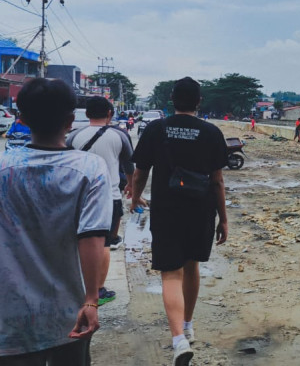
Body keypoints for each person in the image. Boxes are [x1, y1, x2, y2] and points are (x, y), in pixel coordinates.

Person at [0, 78, 112, 364]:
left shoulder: (4, 168)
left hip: (10, 314)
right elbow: (92, 237)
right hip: (70, 312)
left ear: (21, 119)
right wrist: (91, 299)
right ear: (70, 120)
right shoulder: (89, 168)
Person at [131, 77, 228, 366]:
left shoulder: (156, 128)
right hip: (200, 210)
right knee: (192, 266)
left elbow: (140, 171)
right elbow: (218, 181)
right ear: (199, 101)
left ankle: (178, 340)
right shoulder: (211, 132)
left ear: (172, 100)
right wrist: (223, 219)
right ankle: (187, 324)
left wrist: (136, 198)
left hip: (166, 209)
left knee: (170, 273)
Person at [67, 96, 139, 306]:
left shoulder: (74, 136)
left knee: (78, 240)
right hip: (109, 196)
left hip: (78, 197)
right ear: (110, 113)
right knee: (104, 243)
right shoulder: (120, 135)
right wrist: (132, 186)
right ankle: (98, 290)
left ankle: (79, 288)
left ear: (87, 114)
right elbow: (129, 166)